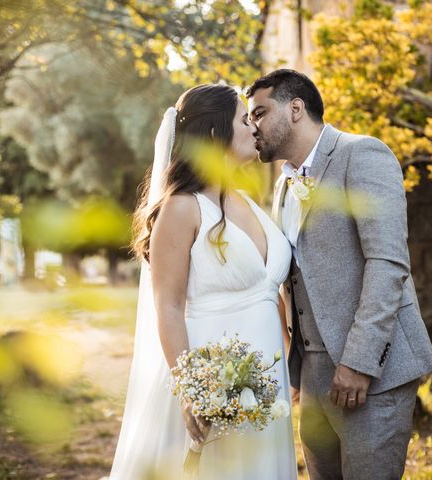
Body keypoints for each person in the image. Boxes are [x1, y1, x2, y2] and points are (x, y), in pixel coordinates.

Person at [247, 69, 432, 480]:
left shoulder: (363, 155)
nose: (253, 127)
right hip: (312, 378)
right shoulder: (282, 187)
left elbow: (388, 264)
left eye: (260, 113)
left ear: (295, 109)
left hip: (372, 373)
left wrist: (359, 363)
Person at [108, 84, 297, 479]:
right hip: (213, 377)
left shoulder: (245, 202)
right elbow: (169, 306)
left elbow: (269, 293)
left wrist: (289, 361)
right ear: (215, 135)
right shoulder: (181, 208)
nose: (254, 128)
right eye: (245, 120)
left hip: (266, 382)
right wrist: (191, 390)